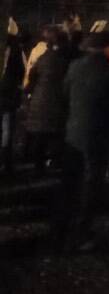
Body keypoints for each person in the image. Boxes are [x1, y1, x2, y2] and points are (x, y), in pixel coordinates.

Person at [55, 31, 109, 251]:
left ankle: (60, 227)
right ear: (108, 48)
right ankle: (83, 231)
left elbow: (64, 95)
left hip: (73, 133)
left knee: (69, 182)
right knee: (92, 182)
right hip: (99, 135)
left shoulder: (75, 67)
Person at [24, 26, 68, 172]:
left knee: (40, 137)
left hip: (39, 101)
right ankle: (54, 162)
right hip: (55, 102)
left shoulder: (41, 59)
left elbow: (31, 80)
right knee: (54, 135)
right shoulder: (63, 61)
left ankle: (38, 166)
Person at [1, 20, 26, 177]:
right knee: (7, 130)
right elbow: (22, 73)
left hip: (6, 93)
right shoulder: (17, 51)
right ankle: (6, 162)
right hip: (8, 95)